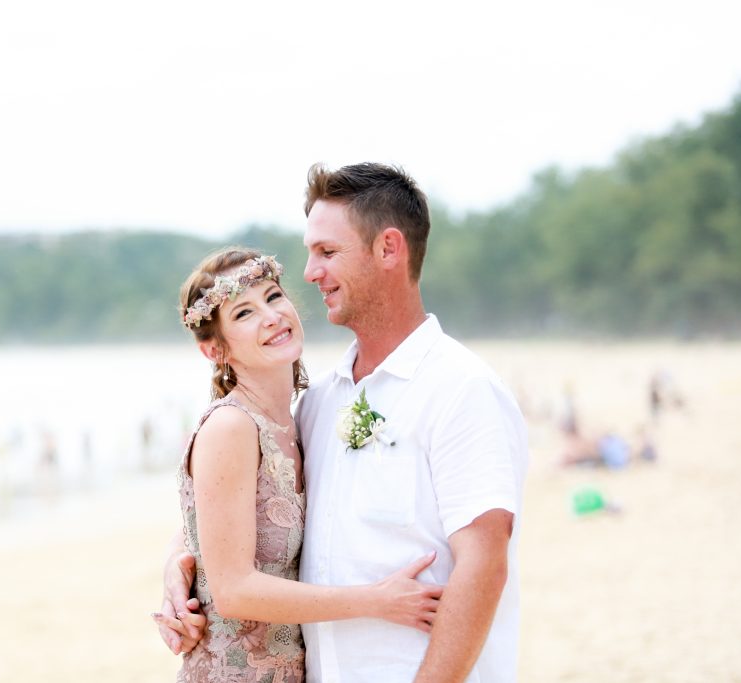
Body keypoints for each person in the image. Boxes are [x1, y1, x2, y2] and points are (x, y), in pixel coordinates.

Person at [162, 164, 529, 682]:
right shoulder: (319, 403)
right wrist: (178, 568)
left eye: (327, 252)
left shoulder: (461, 390)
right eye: (310, 253)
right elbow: (239, 515)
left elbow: (485, 564)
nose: (309, 273)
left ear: (388, 249)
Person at [160, 247, 443, 683]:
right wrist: (378, 601)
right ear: (214, 350)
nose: (271, 316)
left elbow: (208, 519)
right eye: (244, 314)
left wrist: (177, 559)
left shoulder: (303, 416)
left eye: (273, 297)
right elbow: (233, 592)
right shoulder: (231, 427)